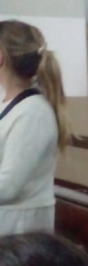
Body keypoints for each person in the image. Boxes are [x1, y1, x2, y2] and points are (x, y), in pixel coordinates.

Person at [0, 20, 70, 235]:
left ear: (1, 57)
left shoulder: (33, 113)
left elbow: (7, 187)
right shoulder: (11, 104)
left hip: (19, 230)